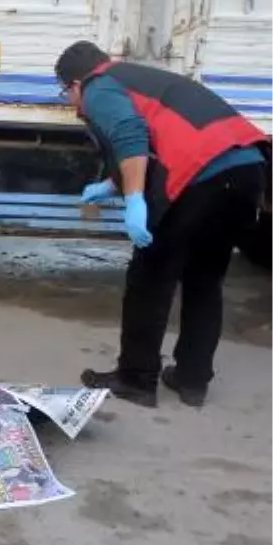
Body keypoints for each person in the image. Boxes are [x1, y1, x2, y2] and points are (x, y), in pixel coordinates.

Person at [56, 41, 267, 408]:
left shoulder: (99, 86)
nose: (73, 102)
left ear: (76, 83)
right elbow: (164, 138)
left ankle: (137, 379)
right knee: (205, 278)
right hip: (248, 170)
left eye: (66, 93)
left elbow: (130, 133)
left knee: (150, 278)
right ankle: (192, 379)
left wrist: (135, 199)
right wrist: (111, 185)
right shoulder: (142, 79)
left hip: (201, 178)